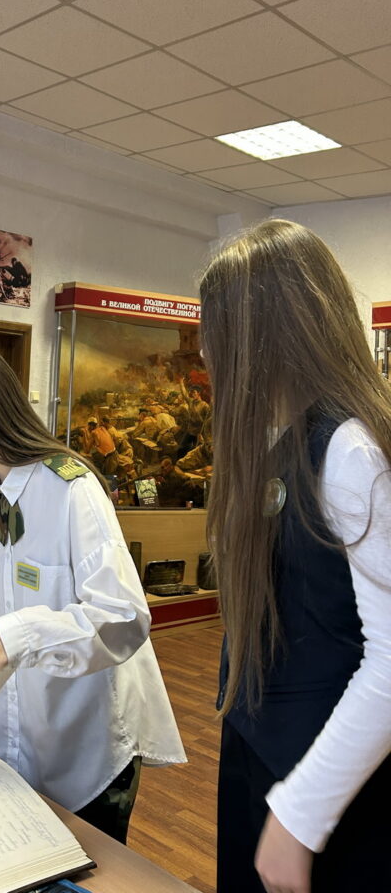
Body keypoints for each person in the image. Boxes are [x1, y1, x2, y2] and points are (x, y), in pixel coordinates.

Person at [0, 343, 185, 843]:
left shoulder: (72, 489)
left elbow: (122, 618)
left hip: (88, 742)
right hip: (19, 736)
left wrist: (19, 632)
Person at [201, 219, 391, 893]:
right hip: (270, 754)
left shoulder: (348, 451)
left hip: (325, 790)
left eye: (218, 333)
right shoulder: (287, 438)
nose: (209, 354)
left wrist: (300, 815)